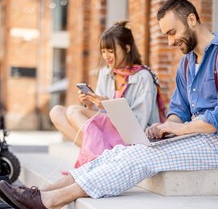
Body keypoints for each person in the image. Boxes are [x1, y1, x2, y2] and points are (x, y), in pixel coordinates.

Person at [0, 0, 218, 209]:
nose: (170, 41)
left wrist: (180, 128)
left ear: (191, 19)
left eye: (172, 32)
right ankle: (40, 192)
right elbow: (178, 110)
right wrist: (167, 126)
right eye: (165, 35)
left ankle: (50, 203)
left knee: (141, 156)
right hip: (197, 135)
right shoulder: (187, 64)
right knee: (121, 151)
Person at [49, 20, 165, 168]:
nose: (106, 56)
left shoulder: (143, 76)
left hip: (130, 134)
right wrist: (90, 102)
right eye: (103, 51)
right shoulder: (106, 73)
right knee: (56, 111)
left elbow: (138, 122)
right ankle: (101, 156)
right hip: (108, 132)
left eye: (111, 51)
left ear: (127, 48)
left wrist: (108, 105)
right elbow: (100, 115)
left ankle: (98, 158)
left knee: (73, 111)